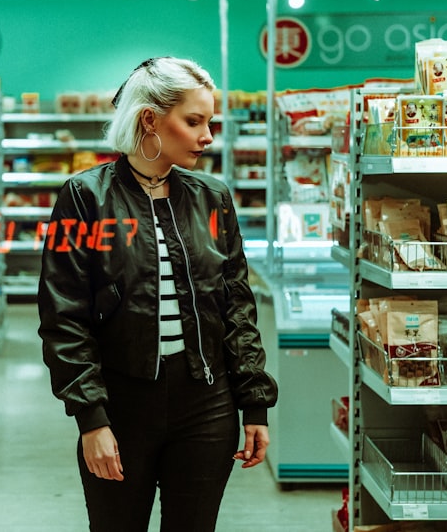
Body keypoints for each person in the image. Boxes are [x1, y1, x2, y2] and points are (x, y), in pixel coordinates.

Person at [37, 56, 279, 532]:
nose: (207, 136)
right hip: (122, 407)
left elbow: (236, 306)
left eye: (209, 121)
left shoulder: (214, 198)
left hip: (207, 408)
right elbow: (64, 315)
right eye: (194, 121)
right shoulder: (85, 198)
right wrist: (91, 419)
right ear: (150, 118)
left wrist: (254, 403)